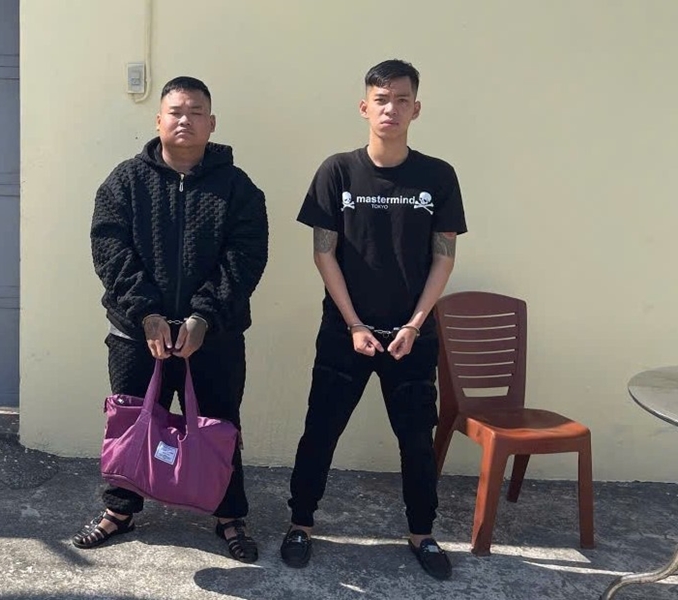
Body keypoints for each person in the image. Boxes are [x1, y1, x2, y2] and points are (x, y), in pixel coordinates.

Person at [280, 59, 467, 580]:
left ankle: (422, 533)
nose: (391, 109)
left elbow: (444, 257)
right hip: (346, 332)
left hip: (412, 337)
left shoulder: (438, 176)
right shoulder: (337, 171)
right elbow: (324, 253)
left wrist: (414, 324)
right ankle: (300, 524)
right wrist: (354, 324)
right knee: (320, 431)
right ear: (365, 107)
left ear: (416, 109)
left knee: (416, 440)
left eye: (402, 100)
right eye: (381, 100)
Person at [72, 76, 269, 564]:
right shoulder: (125, 181)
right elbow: (109, 247)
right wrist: (147, 313)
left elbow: (245, 258)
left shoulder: (238, 188)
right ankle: (119, 510)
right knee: (132, 419)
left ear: (212, 123)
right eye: (176, 111)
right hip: (136, 333)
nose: (185, 120)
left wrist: (204, 316)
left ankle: (229, 514)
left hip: (215, 337)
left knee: (219, 424)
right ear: (158, 119)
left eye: (196, 112)